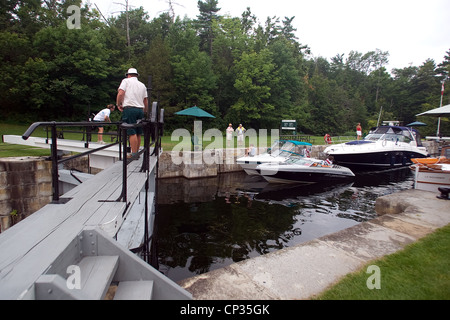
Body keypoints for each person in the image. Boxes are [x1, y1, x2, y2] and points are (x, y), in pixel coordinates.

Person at [116, 68, 148, 158]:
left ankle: (134, 154)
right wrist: (145, 110)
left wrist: (118, 104)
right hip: (140, 109)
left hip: (130, 109)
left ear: (128, 75)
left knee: (131, 131)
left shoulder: (126, 81)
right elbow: (145, 100)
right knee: (138, 132)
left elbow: (121, 93)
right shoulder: (142, 85)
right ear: (136, 75)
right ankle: (136, 152)